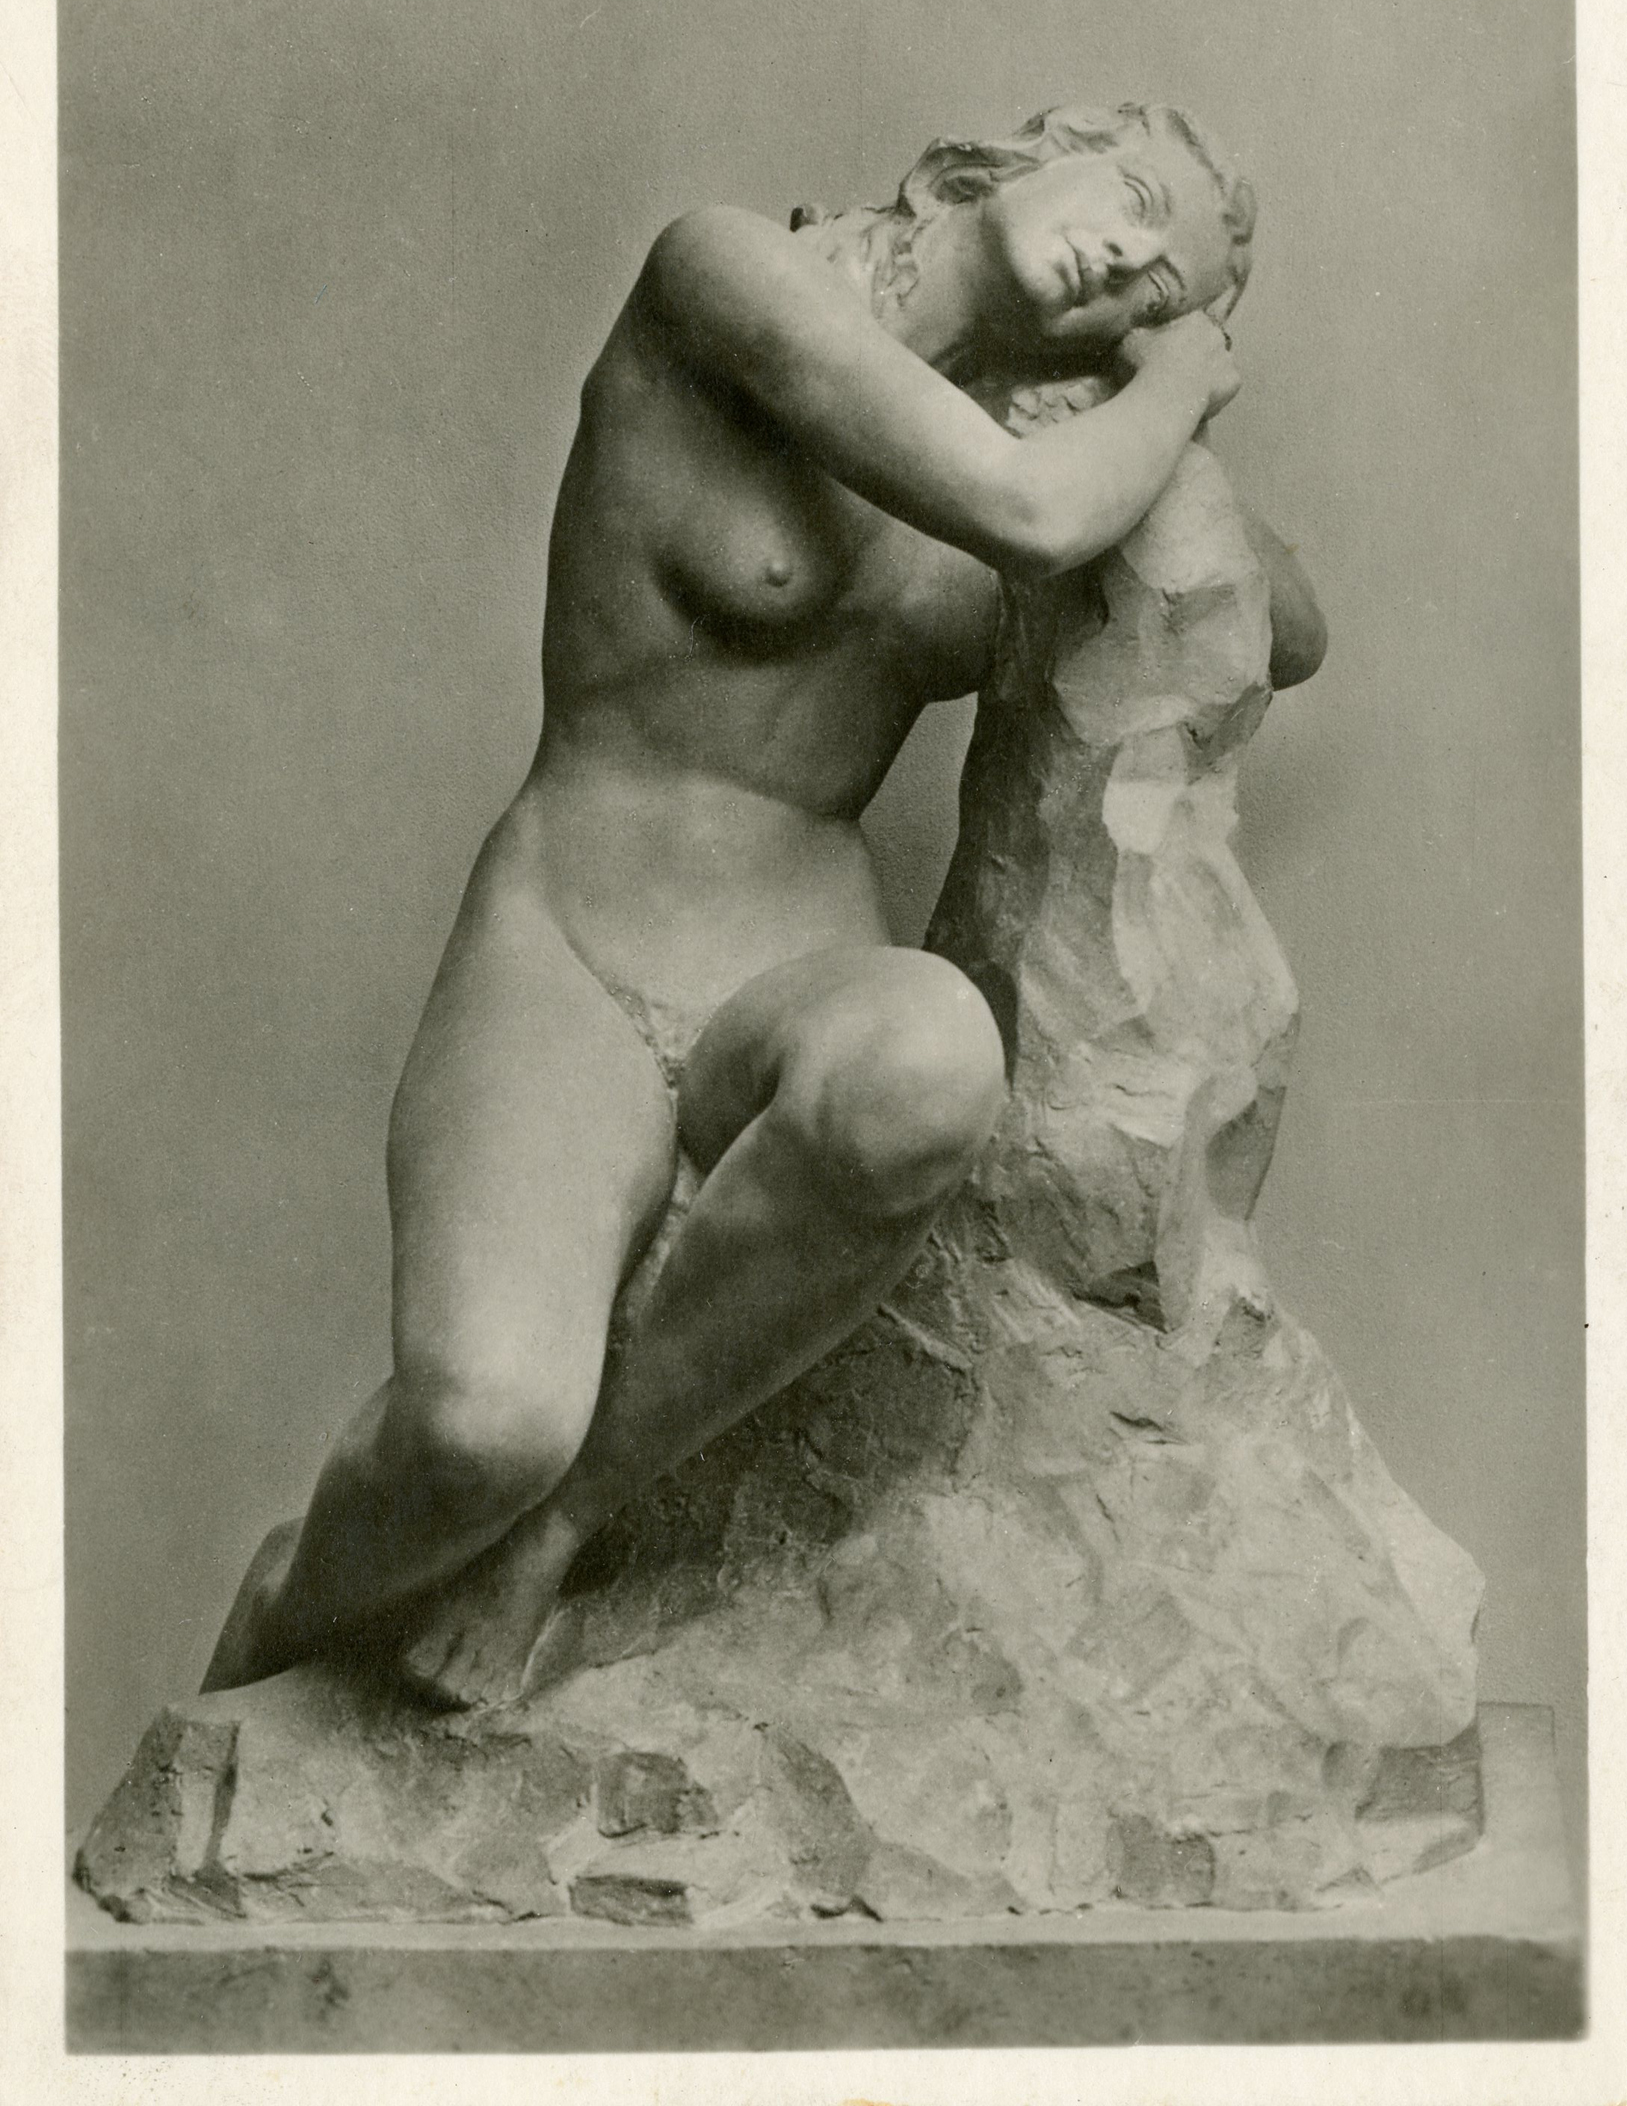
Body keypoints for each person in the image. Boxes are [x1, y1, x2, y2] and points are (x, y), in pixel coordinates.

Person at [203, 100, 1325, 1708]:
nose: (1124, 261)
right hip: (575, 952)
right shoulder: (727, 279)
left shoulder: (1052, 426)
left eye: (1161, 286)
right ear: (1033, 151)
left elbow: (1290, 624)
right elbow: (1028, 517)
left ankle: (562, 1530)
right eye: (1134, 198)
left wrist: (1152, 402)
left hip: (794, 976)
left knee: (936, 1056)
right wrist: (1176, 379)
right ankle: (290, 1601)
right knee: (478, 1428)